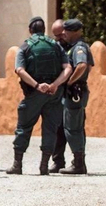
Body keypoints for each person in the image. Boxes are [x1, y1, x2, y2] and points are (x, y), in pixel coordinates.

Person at [10, 16, 70, 175]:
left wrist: (37, 86)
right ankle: (44, 166)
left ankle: (18, 165)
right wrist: (54, 85)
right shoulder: (56, 46)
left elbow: (20, 70)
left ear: (30, 30)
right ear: (44, 30)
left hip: (34, 94)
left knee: (24, 127)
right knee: (50, 128)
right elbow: (67, 69)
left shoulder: (25, 47)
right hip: (53, 94)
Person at [60, 18, 93, 175]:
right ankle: (79, 161)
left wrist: (71, 82)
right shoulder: (77, 47)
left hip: (75, 92)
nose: (63, 33)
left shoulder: (79, 48)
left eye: (66, 30)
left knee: (72, 127)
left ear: (74, 31)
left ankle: (78, 164)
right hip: (78, 91)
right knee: (76, 127)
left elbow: (82, 65)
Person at [48, 19, 69, 172]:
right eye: (56, 36)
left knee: (74, 128)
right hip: (58, 93)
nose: (59, 38)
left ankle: (79, 161)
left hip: (72, 92)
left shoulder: (76, 46)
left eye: (61, 34)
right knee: (58, 127)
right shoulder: (56, 48)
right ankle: (58, 160)